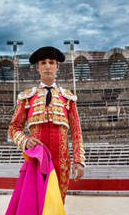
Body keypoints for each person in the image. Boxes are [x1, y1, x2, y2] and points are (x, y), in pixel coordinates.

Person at [8, 46, 85, 201]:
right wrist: (25, 140)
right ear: (38, 67)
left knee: (57, 202)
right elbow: (14, 127)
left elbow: (76, 131)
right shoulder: (27, 97)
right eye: (43, 63)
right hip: (37, 159)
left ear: (57, 66)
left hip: (61, 160)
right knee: (35, 202)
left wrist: (79, 160)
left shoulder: (68, 98)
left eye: (51, 62)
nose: (48, 66)